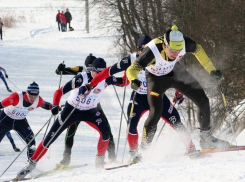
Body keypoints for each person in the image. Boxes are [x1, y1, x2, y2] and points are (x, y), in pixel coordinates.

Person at [78, 35, 194, 164]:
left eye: (148, 48)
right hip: (139, 97)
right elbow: (121, 79)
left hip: (157, 95)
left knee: (176, 121)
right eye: (142, 49)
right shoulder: (132, 60)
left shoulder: (161, 56)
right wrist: (109, 81)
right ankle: (134, 154)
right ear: (138, 50)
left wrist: (179, 92)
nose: (145, 52)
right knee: (131, 125)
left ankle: (191, 148)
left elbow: (175, 75)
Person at [16, 58, 125, 180]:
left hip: (91, 111)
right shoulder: (81, 78)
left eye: (102, 72)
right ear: (92, 70)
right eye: (96, 72)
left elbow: (124, 82)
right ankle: (31, 164)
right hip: (72, 110)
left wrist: (129, 70)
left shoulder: (106, 78)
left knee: (106, 134)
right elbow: (59, 91)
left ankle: (99, 161)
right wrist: (56, 105)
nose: (99, 75)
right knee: (50, 138)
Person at [125, 25, 230, 151]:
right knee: (156, 113)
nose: (176, 54)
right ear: (165, 46)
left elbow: (198, 49)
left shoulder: (185, 43)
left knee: (203, 100)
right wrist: (133, 79)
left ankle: (206, 138)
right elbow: (132, 69)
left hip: (175, 72)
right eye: (173, 51)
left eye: (179, 51)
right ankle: (143, 150)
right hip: (156, 79)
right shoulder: (152, 50)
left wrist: (211, 70)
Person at [55, 54, 116, 170]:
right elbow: (60, 72)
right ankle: (66, 159)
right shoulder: (80, 70)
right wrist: (60, 68)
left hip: (93, 106)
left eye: (90, 67)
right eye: (87, 68)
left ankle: (112, 157)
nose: (89, 70)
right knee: (70, 131)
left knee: (106, 130)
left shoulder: (99, 72)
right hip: (77, 106)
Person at [0, 82, 52, 159]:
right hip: (5, 120)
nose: (33, 98)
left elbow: (46, 105)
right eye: (31, 96)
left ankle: (31, 164)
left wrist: (54, 107)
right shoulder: (16, 97)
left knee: (32, 142)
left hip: (20, 122)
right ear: (26, 93)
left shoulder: (38, 100)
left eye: (35, 96)